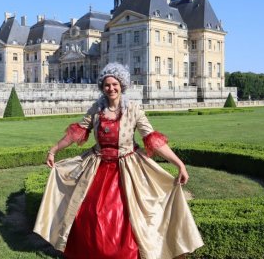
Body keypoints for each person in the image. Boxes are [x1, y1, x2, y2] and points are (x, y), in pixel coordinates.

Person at [33, 62, 204, 259]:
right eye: (107, 85)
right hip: (96, 166)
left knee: (127, 213)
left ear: (122, 85)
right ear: (102, 87)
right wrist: (53, 149)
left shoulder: (133, 110)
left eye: (115, 84)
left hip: (127, 168)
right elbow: (76, 133)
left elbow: (153, 141)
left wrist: (179, 164)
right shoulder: (96, 109)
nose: (111, 88)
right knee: (89, 212)